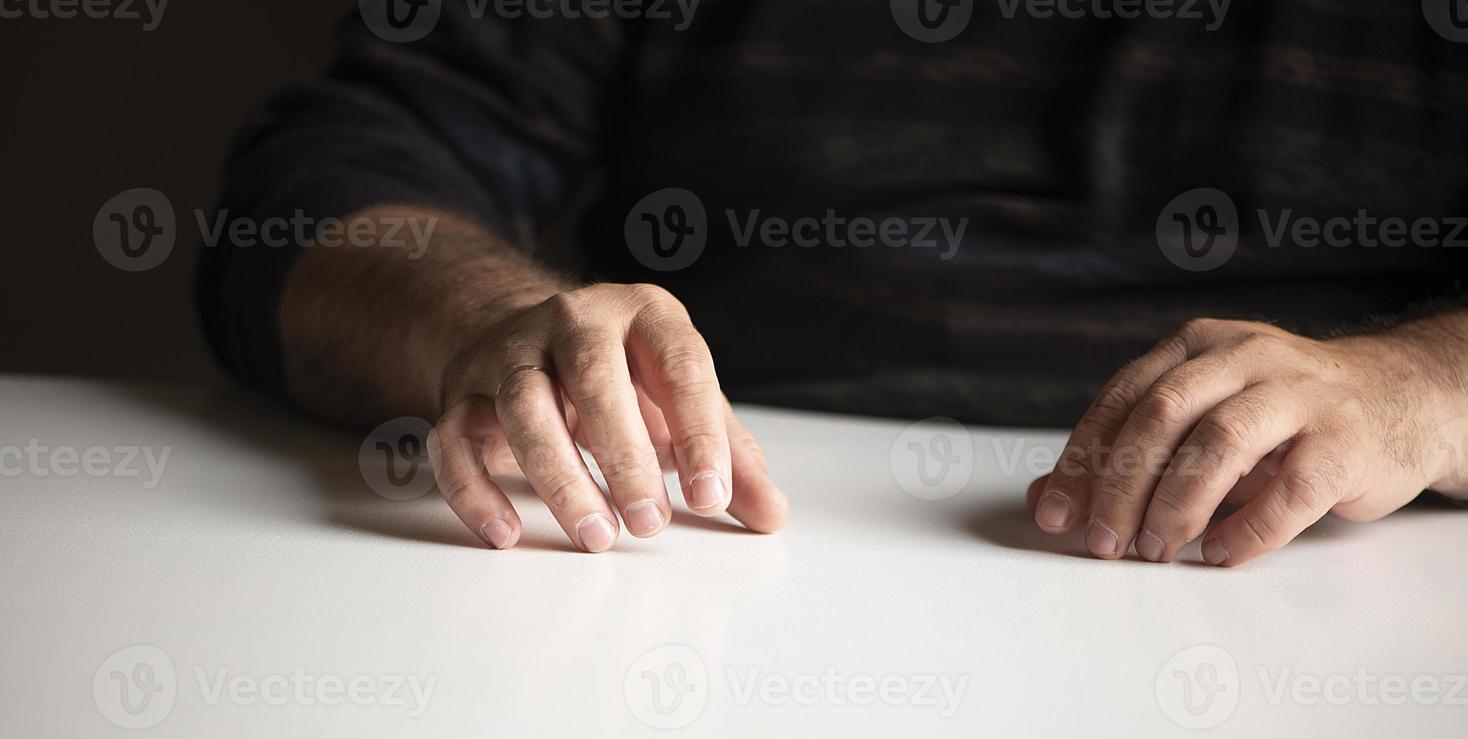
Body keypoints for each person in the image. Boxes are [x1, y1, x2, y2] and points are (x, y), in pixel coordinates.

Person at [197, 0, 1468, 563]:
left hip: (1319, 585)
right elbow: (321, 177)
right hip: (702, 556)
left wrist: (1420, 386)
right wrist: (484, 322)